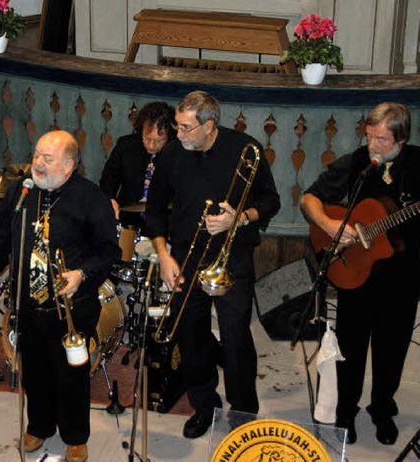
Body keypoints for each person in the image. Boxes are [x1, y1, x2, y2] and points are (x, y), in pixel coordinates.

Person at [0, 130, 120, 462]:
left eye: (47, 159)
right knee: (35, 370)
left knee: (71, 375)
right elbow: (0, 236)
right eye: (36, 155)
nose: (37, 164)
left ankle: (75, 436)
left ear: (69, 165)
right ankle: (39, 426)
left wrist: (81, 274)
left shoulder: (91, 198)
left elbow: (108, 252)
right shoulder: (22, 191)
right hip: (27, 303)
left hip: (72, 307)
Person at [145, 90, 280, 438]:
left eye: (186, 128)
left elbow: (270, 200)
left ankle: (242, 408)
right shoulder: (173, 153)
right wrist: (163, 254)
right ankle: (205, 406)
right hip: (186, 257)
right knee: (191, 337)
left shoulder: (244, 149)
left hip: (232, 257)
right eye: (177, 126)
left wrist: (241, 218)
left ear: (209, 125)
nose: (178, 134)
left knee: (235, 338)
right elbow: (155, 208)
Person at [301, 102, 420, 446]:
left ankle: (381, 408)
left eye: (381, 139)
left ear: (401, 138)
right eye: (369, 136)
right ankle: (345, 412)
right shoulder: (356, 163)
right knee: (350, 348)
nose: (373, 145)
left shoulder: (417, 164)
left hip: (403, 276)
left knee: (392, 349)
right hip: (355, 273)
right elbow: (310, 198)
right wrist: (330, 224)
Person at [99, 101, 176, 224]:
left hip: (164, 222)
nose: (151, 145)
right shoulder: (126, 146)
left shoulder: (176, 153)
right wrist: (110, 198)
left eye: (159, 141)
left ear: (169, 136)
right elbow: (108, 180)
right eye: (147, 138)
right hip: (127, 219)